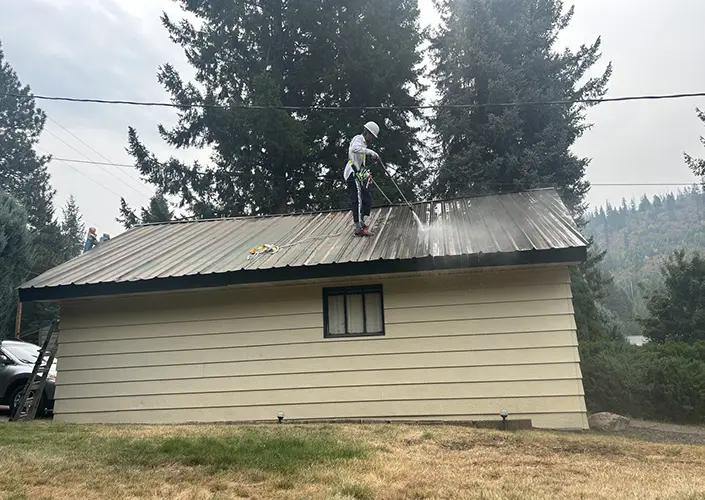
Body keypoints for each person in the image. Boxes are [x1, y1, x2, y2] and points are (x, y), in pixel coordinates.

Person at [344, 121, 381, 237]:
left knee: (367, 198)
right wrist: (371, 152)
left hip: (356, 174)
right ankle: (358, 228)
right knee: (358, 200)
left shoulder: (363, 145)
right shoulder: (358, 139)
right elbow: (355, 148)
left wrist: (366, 174)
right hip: (351, 174)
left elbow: (360, 166)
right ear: (368, 133)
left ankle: (361, 221)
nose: (372, 139)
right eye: (372, 136)